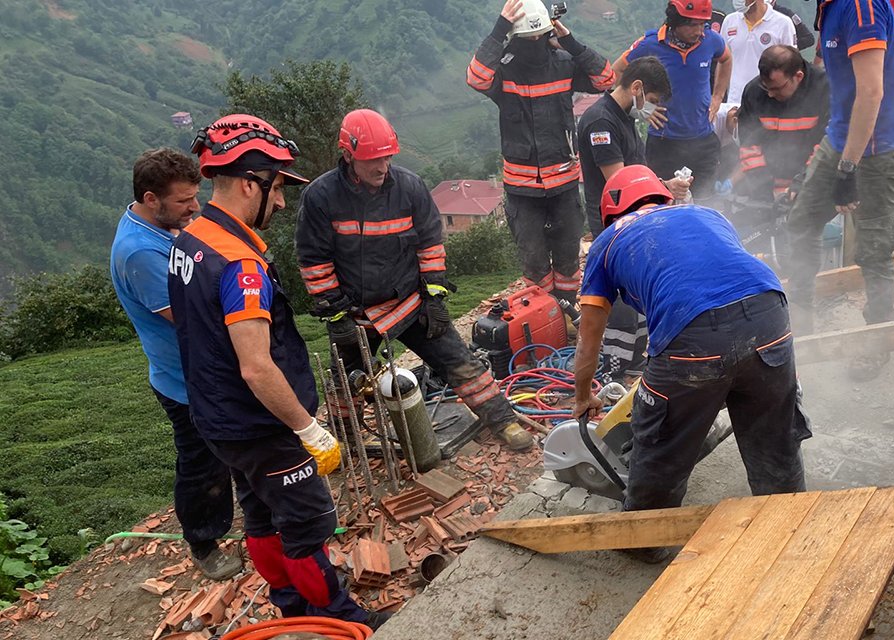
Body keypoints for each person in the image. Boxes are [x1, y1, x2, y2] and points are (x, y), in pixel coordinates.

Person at [168, 114, 387, 629]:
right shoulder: (239, 264)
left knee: (262, 513)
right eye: (278, 188)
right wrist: (308, 429)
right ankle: (336, 616)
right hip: (260, 424)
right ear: (250, 183)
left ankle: (291, 608)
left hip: (218, 419)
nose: (283, 201)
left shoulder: (188, 241)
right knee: (308, 520)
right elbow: (257, 366)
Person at [573, 165, 809, 561]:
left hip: (694, 335)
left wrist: (583, 396)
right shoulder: (706, 214)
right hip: (771, 314)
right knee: (774, 431)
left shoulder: (608, 242)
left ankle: (644, 540)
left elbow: (589, 336)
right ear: (661, 196)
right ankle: (785, 524)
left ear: (610, 212)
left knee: (662, 439)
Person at [295, 109, 533, 452]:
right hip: (356, 314)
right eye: (372, 161)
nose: (382, 167)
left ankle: (502, 420)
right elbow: (314, 262)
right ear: (348, 156)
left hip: (409, 301)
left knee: (459, 360)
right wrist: (336, 315)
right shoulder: (321, 198)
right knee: (344, 384)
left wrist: (434, 298)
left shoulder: (409, 187)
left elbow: (430, 244)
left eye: (387, 158)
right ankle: (343, 443)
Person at [109, 148, 241, 581]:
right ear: (151, 199)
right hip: (184, 380)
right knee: (202, 463)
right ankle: (204, 542)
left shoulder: (162, 227)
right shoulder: (139, 253)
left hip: (204, 369)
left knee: (229, 448)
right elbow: (190, 316)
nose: (194, 207)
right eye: (184, 202)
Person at [787, 0, 894, 377]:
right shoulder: (829, 7)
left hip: (879, 147)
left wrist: (847, 170)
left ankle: (877, 342)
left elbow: (871, 93)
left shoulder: (861, 8)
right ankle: (799, 328)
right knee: (801, 224)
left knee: (873, 249)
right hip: (840, 137)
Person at [467, 0, 614, 300]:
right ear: (515, 37)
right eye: (528, 38)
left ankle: (569, 313)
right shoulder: (505, 70)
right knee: (534, 264)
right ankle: (546, 316)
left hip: (563, 183)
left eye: (539, 36)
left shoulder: (563, 62)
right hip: (523, 190)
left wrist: (571, 41)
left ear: (549, 32)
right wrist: (499, 29)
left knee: (568, 260)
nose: (534, 43)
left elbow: (606, 79)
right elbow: (476, 77)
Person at [576, 57, 690, 384]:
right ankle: (614, 369)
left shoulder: (624, 117)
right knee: (621, 300)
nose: (650, 109)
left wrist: (664, 186)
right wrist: (662, 190)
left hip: (635, 218)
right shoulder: (601, 121)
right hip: (615, 222)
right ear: (637, 87)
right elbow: (620, 182)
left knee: (638, 290)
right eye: (651, 101)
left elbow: (636, 171)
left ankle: (636, 358)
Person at [614, 0, 731, 199]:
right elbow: (616, 71)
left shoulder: (711, 40)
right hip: (664, 143)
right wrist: (640, 108)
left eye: (703, 24)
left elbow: (726, 58)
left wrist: (718, 96)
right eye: (693, 25)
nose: (699, 31)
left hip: (703, 140)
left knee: (705, 203)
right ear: (675, 22)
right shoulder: (650, 43)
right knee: (662, 201)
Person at [735, 45, 829, 205]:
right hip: (769, 189)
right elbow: (749, 147)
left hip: (813, 188)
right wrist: (764, 195)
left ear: (798, 76)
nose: (770, 94)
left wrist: (801, 185)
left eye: (777, 88)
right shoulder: (754, 92)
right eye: (767, 87)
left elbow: (826, 146)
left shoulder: (825, 88)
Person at [722, 0, 795, 104]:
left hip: (770, 101)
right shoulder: (729, 21)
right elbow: (723, 61)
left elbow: (791, 65)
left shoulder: (783, 23)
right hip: (736, 101)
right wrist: (718, 96)